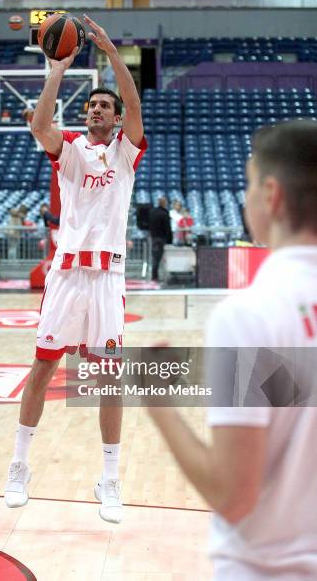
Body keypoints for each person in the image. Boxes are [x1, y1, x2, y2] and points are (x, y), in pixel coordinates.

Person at [149, 120, 317, 580]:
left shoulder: (249, 314)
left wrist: (159, 403)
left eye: (247, 184)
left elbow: (233, 496)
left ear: (272, 196)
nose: (244, 198)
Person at [4, 14, 146, 524]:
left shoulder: (127, 153)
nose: (95, 112)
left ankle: (109, 478)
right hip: (66, 274)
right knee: (43, 367)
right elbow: (40, 125)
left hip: (107, 277)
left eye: (101, 107)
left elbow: (133, 103)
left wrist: (110, 51)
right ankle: (19, 466)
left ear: (114, 117)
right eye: (91, 106)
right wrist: (58, 69)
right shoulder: (70, 151)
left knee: (108, 378)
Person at [148, 196, 172, 281]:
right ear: (164, 203)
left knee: (156, 258)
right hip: (161, 239)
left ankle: (155, 277)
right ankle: (155, 277)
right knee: (158, 258)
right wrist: (169, 240)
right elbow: (167, 228)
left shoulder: (152, 211)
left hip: (154, 238)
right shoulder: (164, 213)